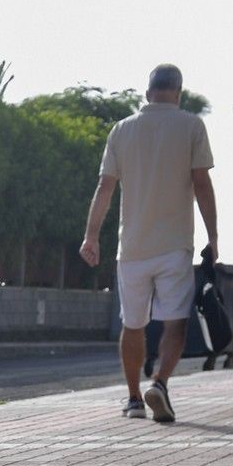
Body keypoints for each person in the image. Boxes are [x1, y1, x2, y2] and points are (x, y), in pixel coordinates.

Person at [79, 64, 218, 423]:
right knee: (176, 323)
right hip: (174, 246)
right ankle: (159, 382)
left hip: (133, 248)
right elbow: (201, 183)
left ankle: (133, 399)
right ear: (180, 93)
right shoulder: (191, 126)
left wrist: (91, 235)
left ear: (147, 93)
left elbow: (105, 187)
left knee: (133, 324)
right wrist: (213, 236)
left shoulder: (122, 130)